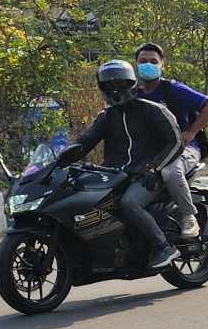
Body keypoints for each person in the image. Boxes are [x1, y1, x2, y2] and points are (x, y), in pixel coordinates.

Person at [53, 60, 183, 270]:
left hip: (149, 175)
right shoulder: (107, 117)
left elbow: (175, 142)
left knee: (129, 204)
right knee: (85, 200)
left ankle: (163, 246)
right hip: (115, 175)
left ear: (132, 83)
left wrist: (155, 167)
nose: (115, 90)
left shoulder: (152, 110)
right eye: (109, 86)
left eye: (121, 84)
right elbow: (85, 143)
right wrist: (59, 161)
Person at [133, 42, 208, 239]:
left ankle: (189, 216)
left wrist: (191, 133)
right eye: (143, 61)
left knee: (171, 171)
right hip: (153, 153)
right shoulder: (133, 94)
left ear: (162, 65)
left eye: (153, 61)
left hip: (184, 149)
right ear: (135, 65)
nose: (148, 65)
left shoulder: (173, 89)